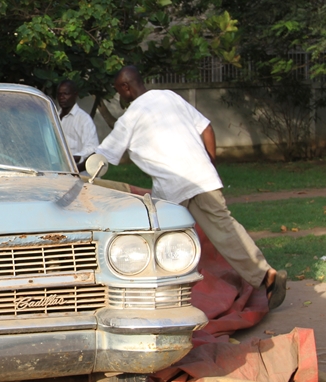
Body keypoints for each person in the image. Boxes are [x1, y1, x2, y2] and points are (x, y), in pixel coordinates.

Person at [94, 65, 287, 309]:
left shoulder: (130, 118)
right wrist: (209, 163)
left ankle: (164, 300)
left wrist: (77, 168)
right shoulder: (170, 97)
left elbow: (101, 156)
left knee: (159, 241)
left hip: (172, 188)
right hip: (202, 175)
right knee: (226, 229)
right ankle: (266, 275)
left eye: (118, 91)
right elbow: (206, 127)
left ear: (125, 88)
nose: (120, 97)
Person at [56, 80, 99, 167]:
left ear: (75, 95)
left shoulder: (84, 119)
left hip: (79, 172)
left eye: (66, 94)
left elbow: (92, 148)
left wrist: (75, 158)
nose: (62, 97)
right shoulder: (54, 117)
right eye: (59, 94)